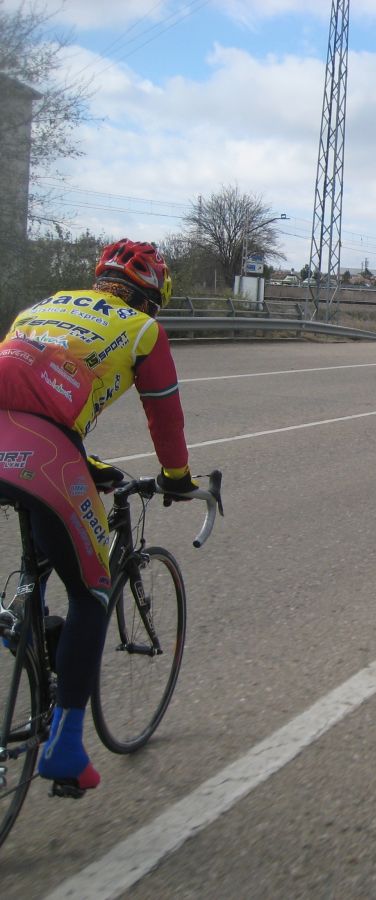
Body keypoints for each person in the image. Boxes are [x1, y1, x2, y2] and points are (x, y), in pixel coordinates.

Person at [0, 239, 197, 793]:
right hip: (43, 452)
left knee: (38, 557)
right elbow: (166, 418)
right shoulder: (142, 330)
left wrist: (85, 462)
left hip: (23, 438)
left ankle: (27, 630)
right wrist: (177, 478)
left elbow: (19, 399)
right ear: (152, 298)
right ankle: (65, 748)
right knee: (90, 593)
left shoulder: (40, 307)